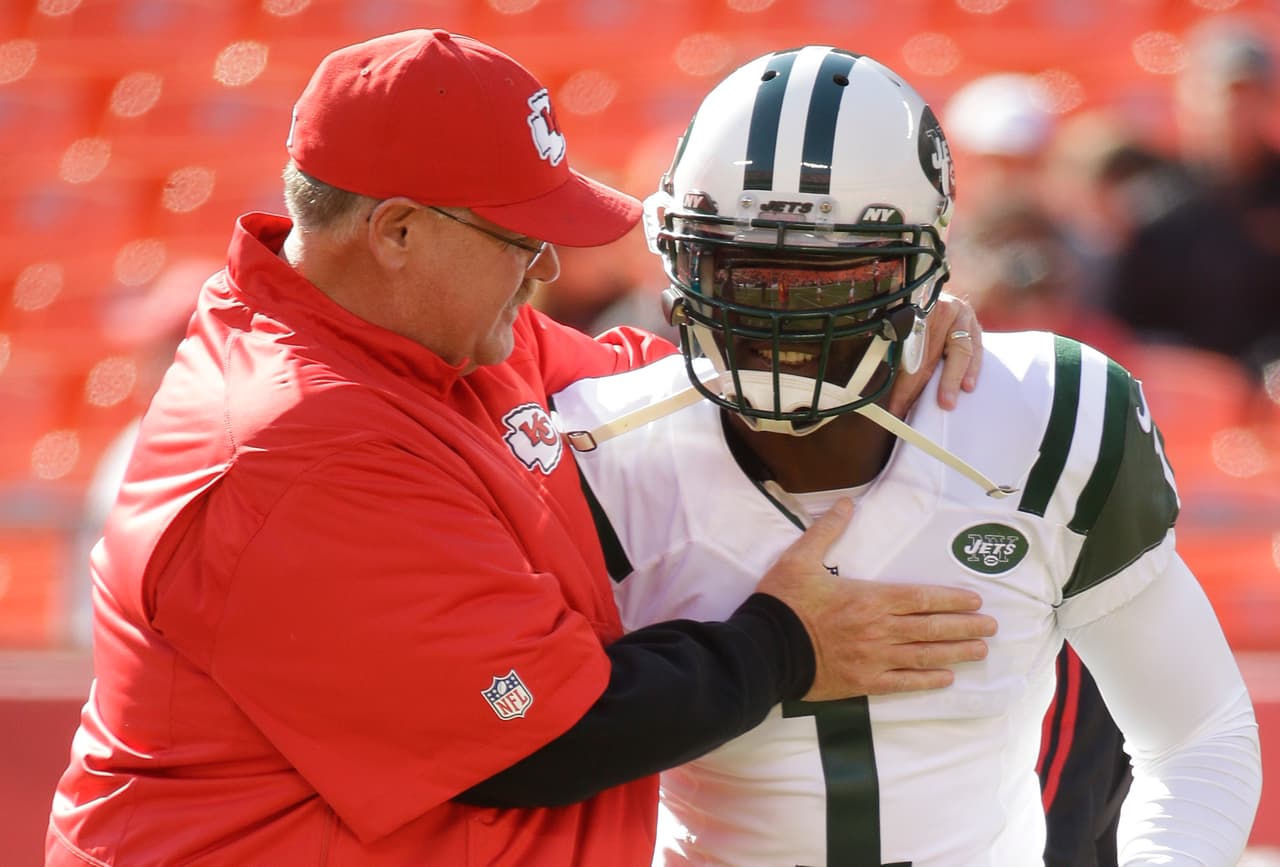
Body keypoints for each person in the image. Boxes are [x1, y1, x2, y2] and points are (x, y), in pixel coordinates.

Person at [45, 30, 996, 866]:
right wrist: (791, 643)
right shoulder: (293, 443)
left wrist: (860, 335)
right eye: (518, 235)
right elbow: (544, 737)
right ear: (398, 232)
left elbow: (659, 388)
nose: (548, 267)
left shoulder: (437, 339)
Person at [554, 46, 1262, 865]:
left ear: (922, 273)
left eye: (826, 279)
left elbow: (1196, 734)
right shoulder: (593, 442)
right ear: (677, 257)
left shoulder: (1047, 416)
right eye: (746, 272)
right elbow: (509, 734)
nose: (785, 319)